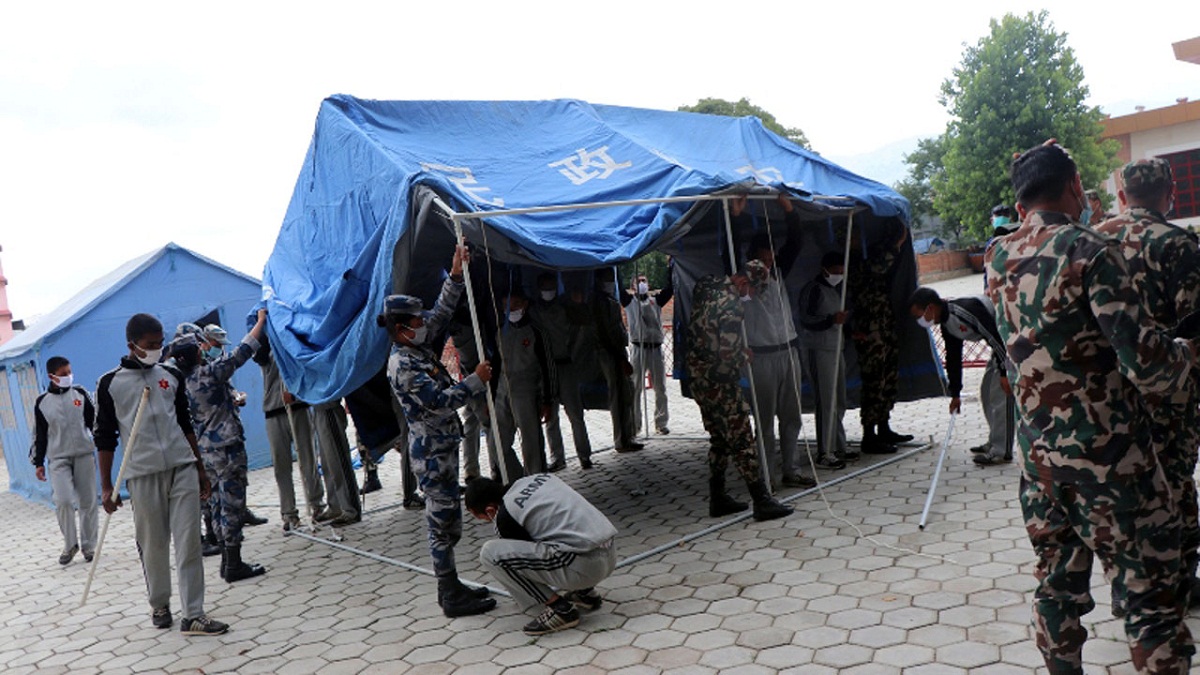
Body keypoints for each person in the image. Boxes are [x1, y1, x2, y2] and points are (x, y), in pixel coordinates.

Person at [985, 141, 1195, 673]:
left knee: (1057, 587)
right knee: (1151, 601)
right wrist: (1188, 353)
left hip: (1040, 465)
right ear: (1075, 186)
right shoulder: (1090, 252)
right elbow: (1147, 364)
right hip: (1112, 463)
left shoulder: (998, 255)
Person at [1096, 158, 1200, 611]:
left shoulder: (1095, 239)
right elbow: (1195, 328)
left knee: (1123, 490)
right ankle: (1177, 586)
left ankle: (1128, 587)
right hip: (1171, 393)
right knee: (1174, 485)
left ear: (1122, 195)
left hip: (1110, 396)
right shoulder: (1179, 245)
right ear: (1169, 193)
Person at [382, 242, 496, 618]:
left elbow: (442, 313)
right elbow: (439, 401)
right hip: (432, 455)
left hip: (443, 448)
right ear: (400, 329)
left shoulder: (415, 348)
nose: (422, 325)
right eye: (415, 322)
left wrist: (457, 273)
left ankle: (453, 584)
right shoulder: (403, 365)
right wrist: (475, 382)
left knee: (450, 523)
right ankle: (449, 594)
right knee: (441, 523)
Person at [95, 313, 228, 635]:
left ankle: (193, 614)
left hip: (181, 467)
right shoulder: (110, 384)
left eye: (159, 343)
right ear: (132, 346)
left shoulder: (169, 374)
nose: (157, 349)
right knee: (153, 544)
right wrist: (106, 486)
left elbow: (185, 423)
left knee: (189, 543)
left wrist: (199, 467)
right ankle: (159, 603)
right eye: (150, 345)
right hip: (142, 473)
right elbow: (105, 437)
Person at [687, 263, 794, 521]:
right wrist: (742, 356)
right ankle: (761, 500)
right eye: (753, 291)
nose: (752, 297)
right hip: (721, 382)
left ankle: (718, 497)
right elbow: (726, 353)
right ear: (744, 283)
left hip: (699, 378)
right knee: (743, 439)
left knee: (719, 440)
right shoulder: (732, 305)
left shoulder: (709, 290)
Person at [179, 312, 269, 583]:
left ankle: (228, 562)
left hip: (206, 452)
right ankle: (233, 564)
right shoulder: (208, 373)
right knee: (232, 504)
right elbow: (242, 352)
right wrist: (261, 323)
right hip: (227, 449)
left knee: (218, 504)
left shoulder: (181, 382)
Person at [466, 475, 617, 636]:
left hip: (586, 566)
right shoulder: (537, 478)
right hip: (610, 551)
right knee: (556, 533)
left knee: (491, 554)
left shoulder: (505, 516)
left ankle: (559, 609)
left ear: (490, 510)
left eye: (482, 518)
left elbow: (526, 560)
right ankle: (585, 593)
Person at [734, 194, 807, 488]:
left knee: (792, 416)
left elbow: (796, 243)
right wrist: (736, 216)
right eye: (761, 260)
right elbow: (730, 250)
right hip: (761, 357)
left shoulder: (778, 273)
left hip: (788, 351)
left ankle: (791, 469)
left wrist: (789, 209)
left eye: (770, 258)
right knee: (764, 420)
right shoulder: (745, 281)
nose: (767, 264)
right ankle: (767, 476)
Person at [908, 287, 1013, 466]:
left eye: (920, 315)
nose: (920, 321)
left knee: (999, 396)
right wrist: (955, 394)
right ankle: (994, 441)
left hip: (1007, 341)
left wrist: (1005, 372)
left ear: (930, 308)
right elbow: (953, 359)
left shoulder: (966, 311)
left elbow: (995, 337)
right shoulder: (948, 326)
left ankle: (1001, 451)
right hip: (999, 347)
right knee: (986, 392)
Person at [847, 220, 912, 454]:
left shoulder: (866, 257)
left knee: (888, 379)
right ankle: (869, 435)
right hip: (869, 333)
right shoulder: (851, 262)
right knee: (874, 382)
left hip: (883, 328)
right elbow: (879, 266)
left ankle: (884, 427)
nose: (856, 240)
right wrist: (897, 244)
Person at [30, 355, 98, 565]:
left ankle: (89, 546)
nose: (68, 376)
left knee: (88, 501)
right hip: (58, 458)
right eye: (63, 374)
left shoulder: (80, 394)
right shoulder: (42, 403)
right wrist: (38, 462)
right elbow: (40, 434)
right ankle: (70, 545)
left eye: (69, 372)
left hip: (84, 454)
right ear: (52, 376)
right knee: (64, 500)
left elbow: (93, 421)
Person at [253, 343, 325, 531]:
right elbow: (256, 354)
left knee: (308, 459)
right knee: (281, 464)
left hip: (299, 408)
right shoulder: (265, 347)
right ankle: (289, 514)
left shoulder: (294, 342)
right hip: (274, 411)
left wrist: (296, 393)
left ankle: (317, 505)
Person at [533, 272, 593, 470]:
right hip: (546, 369)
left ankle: (584, 455)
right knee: (551, 416)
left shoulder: (565, 307)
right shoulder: (535, 311)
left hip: (566, 364)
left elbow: (584, 320)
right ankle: (557, 458)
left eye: (551, 287)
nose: (548, 291)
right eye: (545, 287)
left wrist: (577, 304)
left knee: (575, 414)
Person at [797, 252, 851, 471]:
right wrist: (831, 320)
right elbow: (806, 319)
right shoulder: (813, 289)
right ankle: (824, 452)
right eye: (836, 271)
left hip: (836, 347)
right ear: (824, 269)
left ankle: (839, 445)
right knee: (826, 400)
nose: (839, 275)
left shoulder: (835, 289)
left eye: (841, 272)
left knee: (839, 399)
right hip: (818, 348)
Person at [495, 289, 555, 477]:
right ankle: (515, 479)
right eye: (506, 305)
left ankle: (537, 479)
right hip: (502, 390)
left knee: (531, 442)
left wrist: (548, 399)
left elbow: (547, 367)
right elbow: (495, 363)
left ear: (525, 304)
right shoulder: (499, 331)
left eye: (514, 304)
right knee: (497, 443)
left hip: (527, 390)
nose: (510, 309)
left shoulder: (536, 331)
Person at [592, 269, 641, 453]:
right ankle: (622, 440)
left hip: (617, 352)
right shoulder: (599, 302)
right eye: (606, 279)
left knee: (626, 393)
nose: (610, 282)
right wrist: (620, 358)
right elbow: (605, 332)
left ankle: (627, 436)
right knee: (618, 397)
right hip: (610, 354)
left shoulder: (609, 300)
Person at [621, 269, 672, 436]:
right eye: (639, 282)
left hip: (655, 348)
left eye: (644, 281)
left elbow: (669, 288)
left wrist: (671, 268)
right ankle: (635, 424)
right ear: (633, 287)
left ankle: (661, 422)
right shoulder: (629, 302)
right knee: (635, 388)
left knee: (660, 387)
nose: (642, 284)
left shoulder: (656, 300)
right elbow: (617, 286)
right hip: (638, 348)